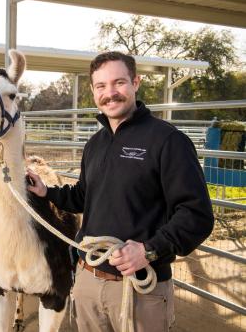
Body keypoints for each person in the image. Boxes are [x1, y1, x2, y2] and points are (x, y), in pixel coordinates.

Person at [27, 51, 214, 332]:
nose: (110, 93)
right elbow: (83, 196)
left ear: (136, 83)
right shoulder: (95, 145)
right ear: (93, 91)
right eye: (101, 86)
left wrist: (149, 250)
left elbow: (196, 215)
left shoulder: (168, 141)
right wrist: (48, 192)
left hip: (139, 286)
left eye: (119, 83)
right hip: (89, 279)